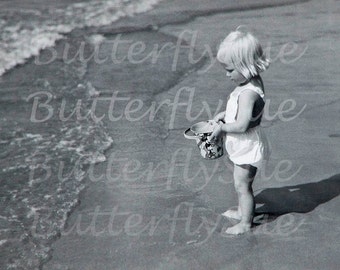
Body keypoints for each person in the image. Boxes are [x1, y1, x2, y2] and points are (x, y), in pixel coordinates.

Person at [209, 26, 270, 235]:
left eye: (229, 70)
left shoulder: (248, 93)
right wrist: (223, 115)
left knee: (242, 185)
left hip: (247, 144)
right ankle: (244, 211)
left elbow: (242, 124)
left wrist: (222, 128)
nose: (227, 75)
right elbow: (240, 112)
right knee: (239, 182)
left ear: (245, 66)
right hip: (245, 142)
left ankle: (245, 222)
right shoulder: (251, 82)